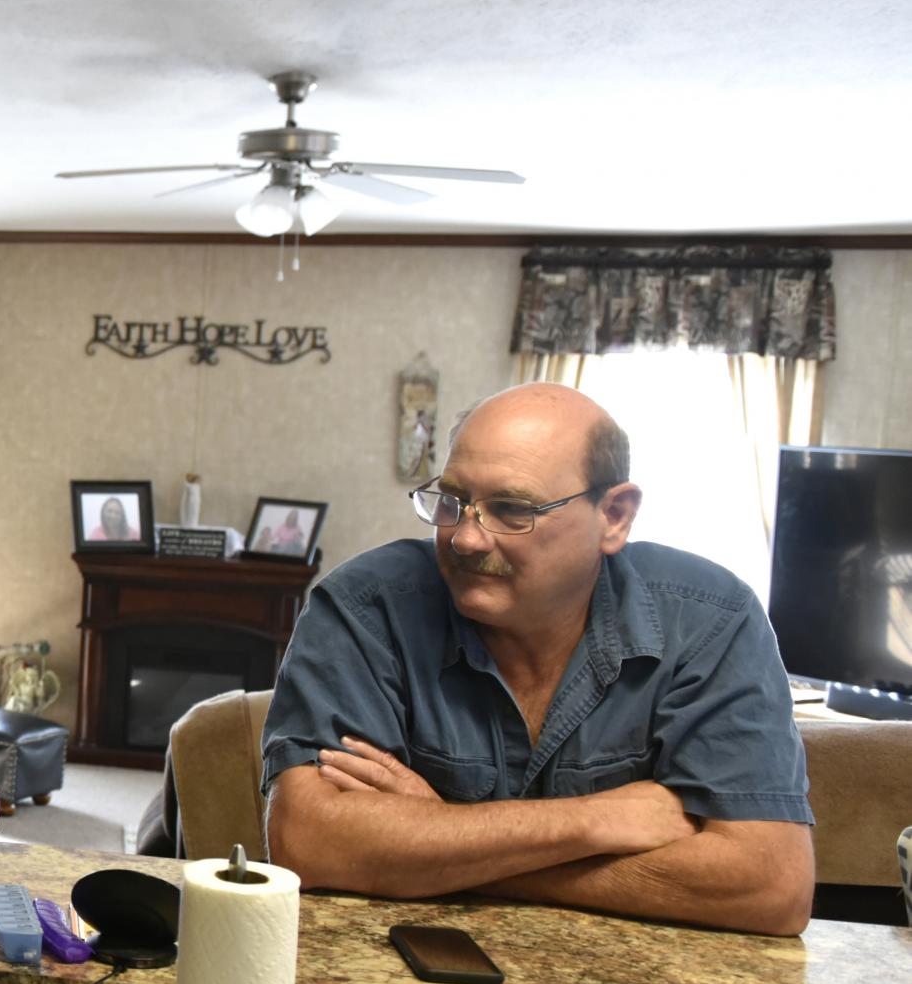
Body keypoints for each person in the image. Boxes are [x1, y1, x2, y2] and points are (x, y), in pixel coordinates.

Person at [262, 383, 813, 935]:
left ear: (615, 516)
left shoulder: (711, 619)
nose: (467, 539)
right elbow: (308, 841)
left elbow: (770, 886)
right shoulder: (365, 607)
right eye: (452, 501)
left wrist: (439, 842)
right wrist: (596, 821)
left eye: (512, 509)